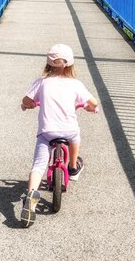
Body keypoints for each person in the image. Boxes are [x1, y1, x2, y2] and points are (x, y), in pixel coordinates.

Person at [20, 43, 98, 227]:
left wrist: (29, 105)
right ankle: (72, 166)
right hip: (68, 131)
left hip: (47, 132)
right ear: (70, 64)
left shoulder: (41, 82)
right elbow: (93, 103)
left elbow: (26, 100)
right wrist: (89, 107)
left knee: (38, 165)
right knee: (75, 135)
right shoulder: (76, 84)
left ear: (48, 63)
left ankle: (31, 193)